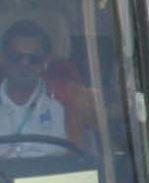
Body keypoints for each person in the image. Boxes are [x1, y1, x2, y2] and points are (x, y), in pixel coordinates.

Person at [0, 17, 87, 157]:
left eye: (34, 59)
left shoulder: (70, 100)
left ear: (45, 61)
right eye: (15, 57)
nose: (24, 64)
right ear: (3, 59)